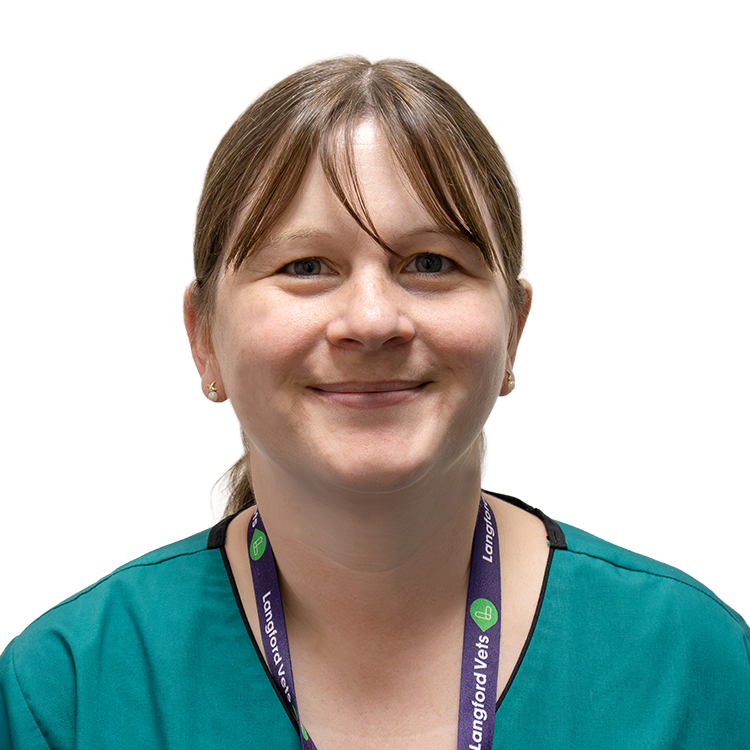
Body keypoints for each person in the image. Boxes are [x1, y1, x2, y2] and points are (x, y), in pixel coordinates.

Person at [1, 56, 748, 750]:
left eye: (431, 262)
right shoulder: (69, 693)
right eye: (305, 266)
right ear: (204, 338)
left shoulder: (696, 667)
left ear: (514, 331)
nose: (371, 320)